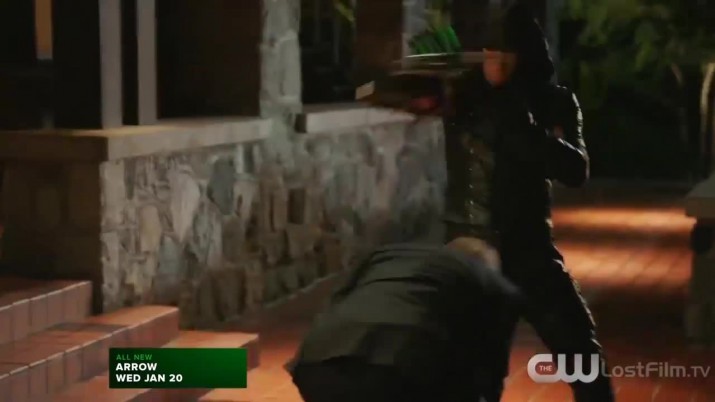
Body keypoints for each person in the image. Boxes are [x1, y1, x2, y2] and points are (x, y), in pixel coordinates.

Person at [418, 2, 614, 401]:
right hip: (471, 249)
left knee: (581, 354)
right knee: (470, 372)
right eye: (490, 51)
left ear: (526, 55)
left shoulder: (552, 101)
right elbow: (403, 94)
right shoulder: (464, 96)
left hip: (529, 249)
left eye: (506, 51)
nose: (496, 60)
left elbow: (575, 169)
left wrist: (523, 125)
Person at [287, 238, 583, 402]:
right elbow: (490, 370)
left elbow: (334, 304)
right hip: (398, 374)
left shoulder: (388, 254)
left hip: (317, 365)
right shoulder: (497, 287)